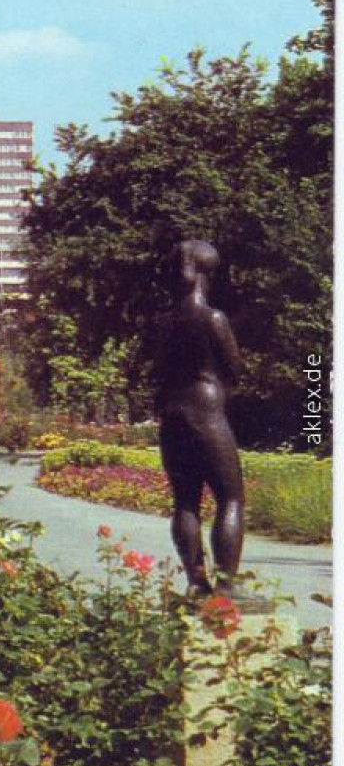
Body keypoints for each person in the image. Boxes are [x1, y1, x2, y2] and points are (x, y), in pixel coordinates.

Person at [154, 239, 243, 595]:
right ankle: (225, 585)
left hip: (172, 413)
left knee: (186, 501)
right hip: (205, 409)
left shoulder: (164, 321)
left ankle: (196, 582)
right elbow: (233, 368)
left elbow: (157, 370)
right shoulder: (213, 318)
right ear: (208, 274)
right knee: (231, 497)